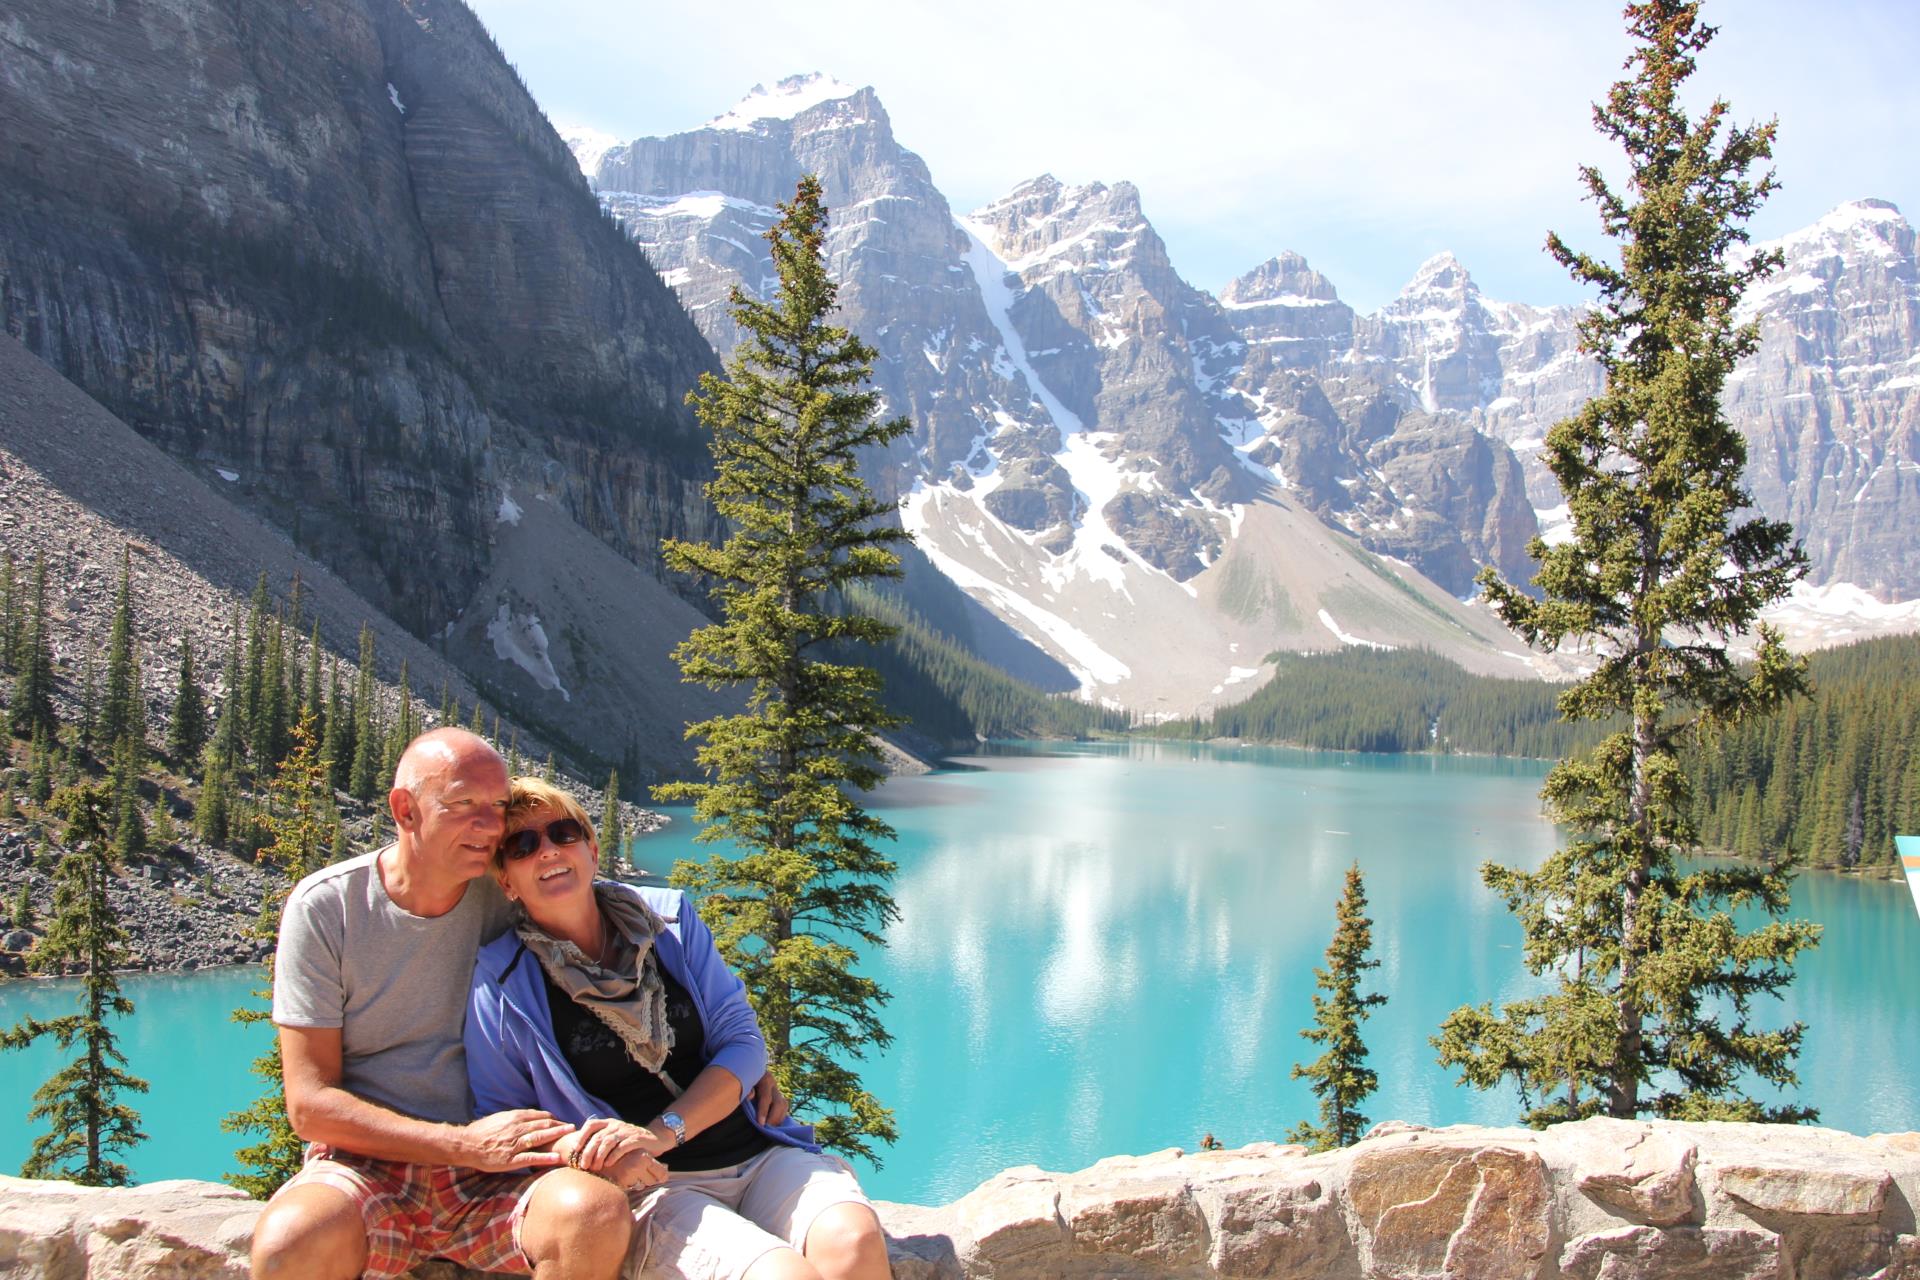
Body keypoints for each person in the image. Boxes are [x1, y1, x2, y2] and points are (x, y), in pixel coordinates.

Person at [250, 728, 641, 1280]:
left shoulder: (510, 889)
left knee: (593, 1215)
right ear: (405, 810)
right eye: (462, 805)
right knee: (289, 1245)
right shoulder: (328, 907)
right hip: (370, 1164)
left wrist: (733, 1058)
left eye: (498, 806)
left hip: (506, 1163)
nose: (490, 826)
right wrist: (461, 1146)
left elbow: (624, 923)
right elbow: (310, 1104)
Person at [466, 777, 892, 1280]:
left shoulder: (668, 920)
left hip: (757, 1153)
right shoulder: (502, 983)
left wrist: (660, 1134)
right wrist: (590, 1154)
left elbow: (742, 1040)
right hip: (654, 1188)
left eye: (563, 833)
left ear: (592, 849)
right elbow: (506, 1120)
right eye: (522, 845)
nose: (548, 851)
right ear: (506, 882)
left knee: (854, 1243)